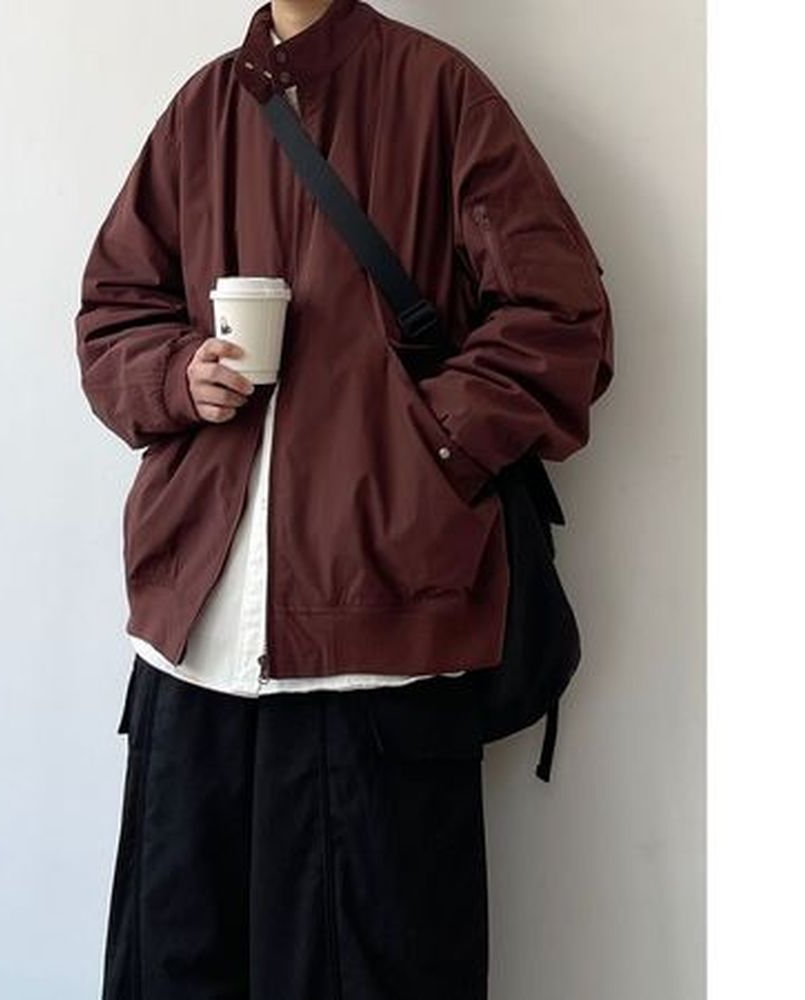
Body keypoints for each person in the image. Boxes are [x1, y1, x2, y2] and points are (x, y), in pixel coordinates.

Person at [74, 1, 614, 997]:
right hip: (193, 657)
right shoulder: (202, 110)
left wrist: (424, 452)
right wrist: (175, 374)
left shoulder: (438, 91)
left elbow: (559, 316)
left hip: (380, 648)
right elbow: (114, 311)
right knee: (171, 971)